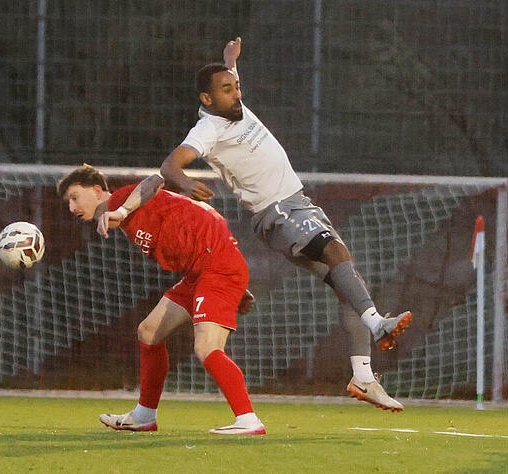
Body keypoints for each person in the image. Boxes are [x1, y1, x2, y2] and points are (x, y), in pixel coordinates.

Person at [159, 37, 411, 412]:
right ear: (207, 99)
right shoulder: (207, 130)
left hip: (298, 203)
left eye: (237, 86)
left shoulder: (234, 106)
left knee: (347, 283)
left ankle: (362, 376)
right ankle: (377, 325)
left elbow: (231, 80)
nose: (236, 93)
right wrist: (182, 181)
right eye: (226, 90)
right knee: (336, 252)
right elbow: (169, 166)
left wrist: (230, 61)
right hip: (276, 213)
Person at [57, 164, 266, 435]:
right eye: (68, 202)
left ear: (97, 191)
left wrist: (121, 210)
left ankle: (248, 420)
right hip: (202, 272)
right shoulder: (127, 214)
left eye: (75, 197)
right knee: (148, 332)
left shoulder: (121, 200)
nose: (72, 207)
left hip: (215, 267)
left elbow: (157, 179)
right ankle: (144, 416)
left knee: (206, 347)